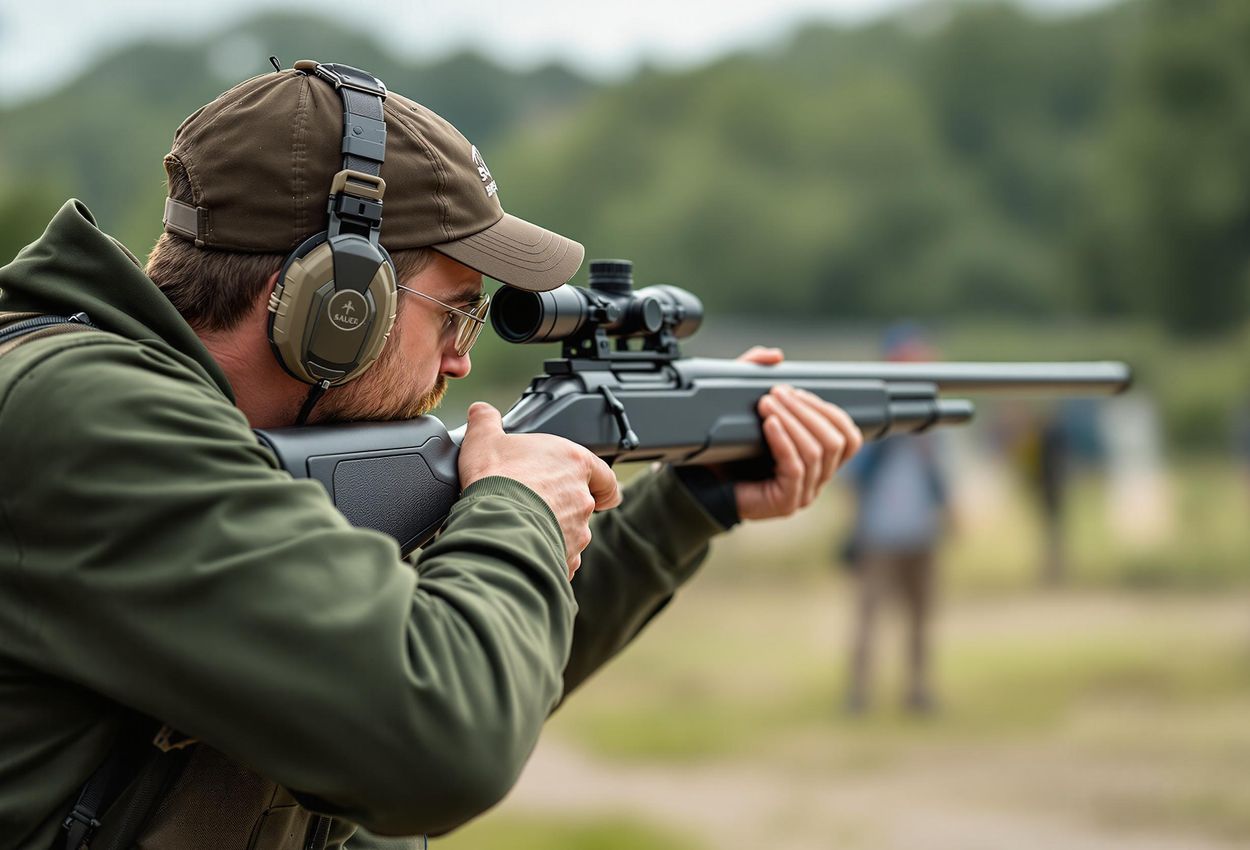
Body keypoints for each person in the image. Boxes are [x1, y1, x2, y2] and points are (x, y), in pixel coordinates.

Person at [0, 61, 861, 849]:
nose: (462, 359)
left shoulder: (179, 430)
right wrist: (515, 507)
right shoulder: (88, 416)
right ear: (338, 300)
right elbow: (438, 741)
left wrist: (687, 506)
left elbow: (462, 667)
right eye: (455, 311)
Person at [842, 325, 949, 715]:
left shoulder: (931, 418)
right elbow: (852, 474)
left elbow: (940, 474)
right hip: (879, 532)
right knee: (869, 618)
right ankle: (858, 693)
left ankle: (918, 691)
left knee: (921, 619)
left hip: (922, 530)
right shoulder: (873, 416)